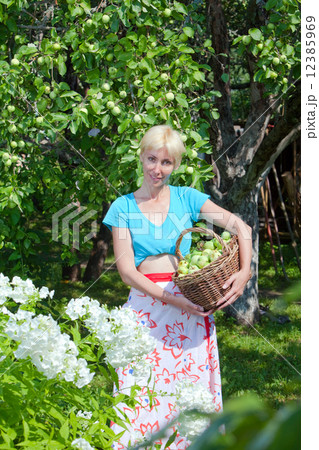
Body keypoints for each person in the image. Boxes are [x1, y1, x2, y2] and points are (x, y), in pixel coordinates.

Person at [102, 125, 252, 449]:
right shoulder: (122, 207)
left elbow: (242, 227)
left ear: (176, 165)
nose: (158, 169)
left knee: (188, 395)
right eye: (152, 159)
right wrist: (171, 299)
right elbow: (127, 272)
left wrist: (243, 274)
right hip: (146, 311)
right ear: (141, 157)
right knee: (139, 391)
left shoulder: (188, 197)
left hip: (190, 311)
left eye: (166, 162)